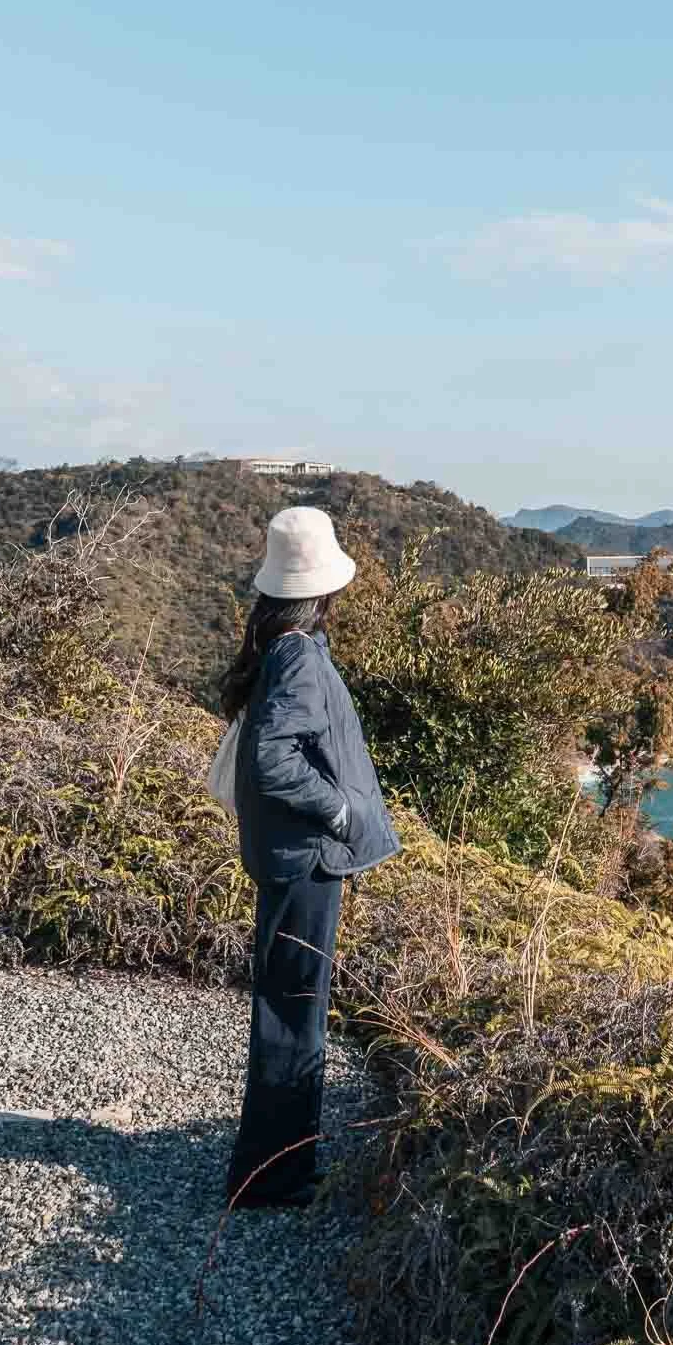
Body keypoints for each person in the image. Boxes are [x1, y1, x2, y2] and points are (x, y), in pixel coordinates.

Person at [220, 506, 399, 1209]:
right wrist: (339, 810)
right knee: (296, 1014)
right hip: (307, 858)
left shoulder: (281, 645)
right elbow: (273, 759)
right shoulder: (297, 654)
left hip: (293, 856)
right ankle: (273, 1177)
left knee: (289, 1009)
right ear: (323, 586)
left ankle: (274, 1167)